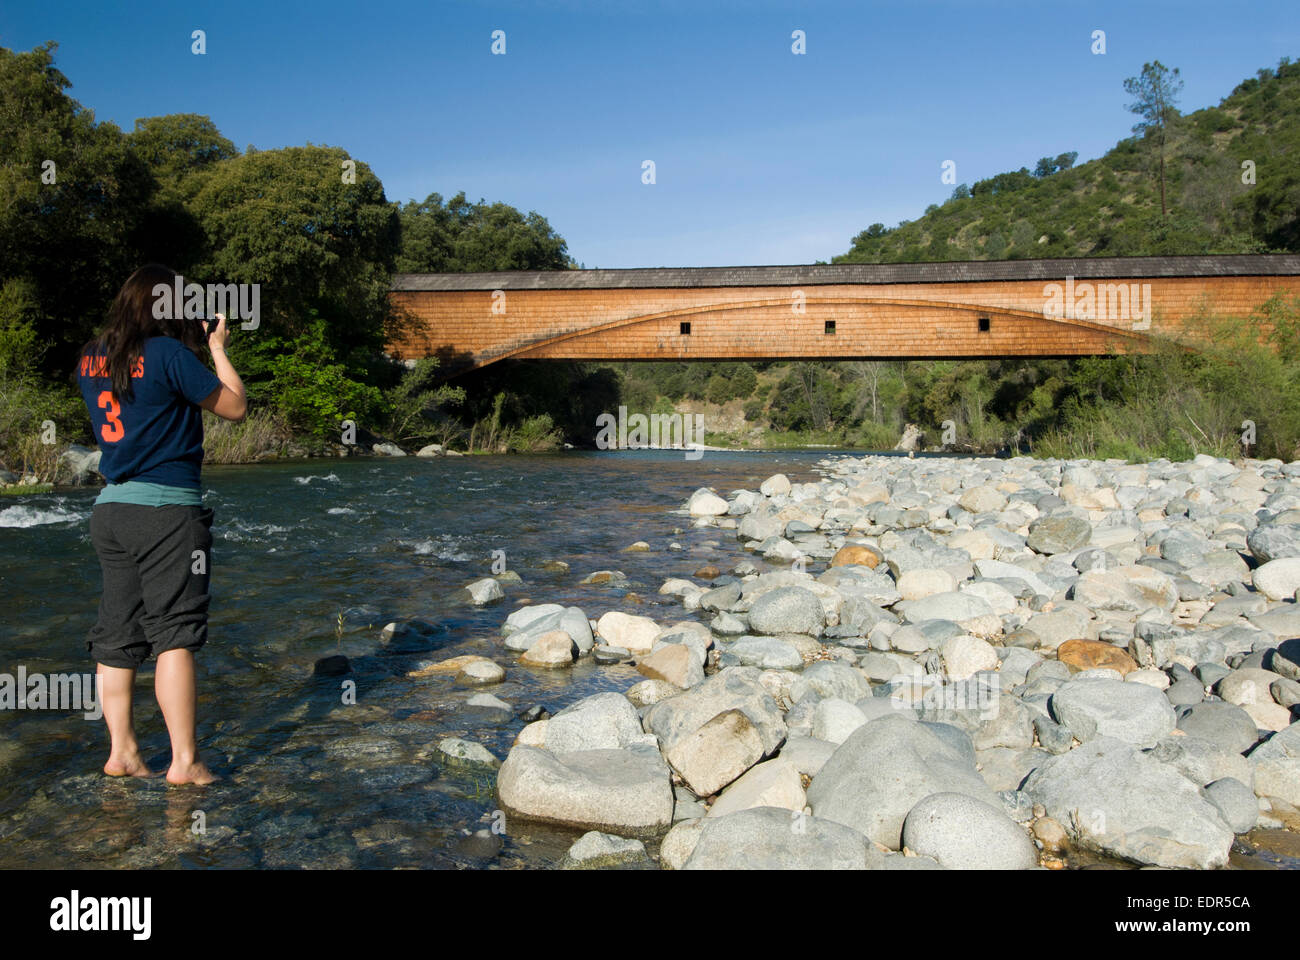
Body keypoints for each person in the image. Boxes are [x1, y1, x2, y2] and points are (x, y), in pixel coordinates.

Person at [76, 264, 247, 785]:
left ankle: (123, 752)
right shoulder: (170, 354)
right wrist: (216, 347)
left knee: (117, 634)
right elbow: (234, 407)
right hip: (167, 513)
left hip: (111, 510)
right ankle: (185, 762)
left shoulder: (90, 356)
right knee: (175, 634)